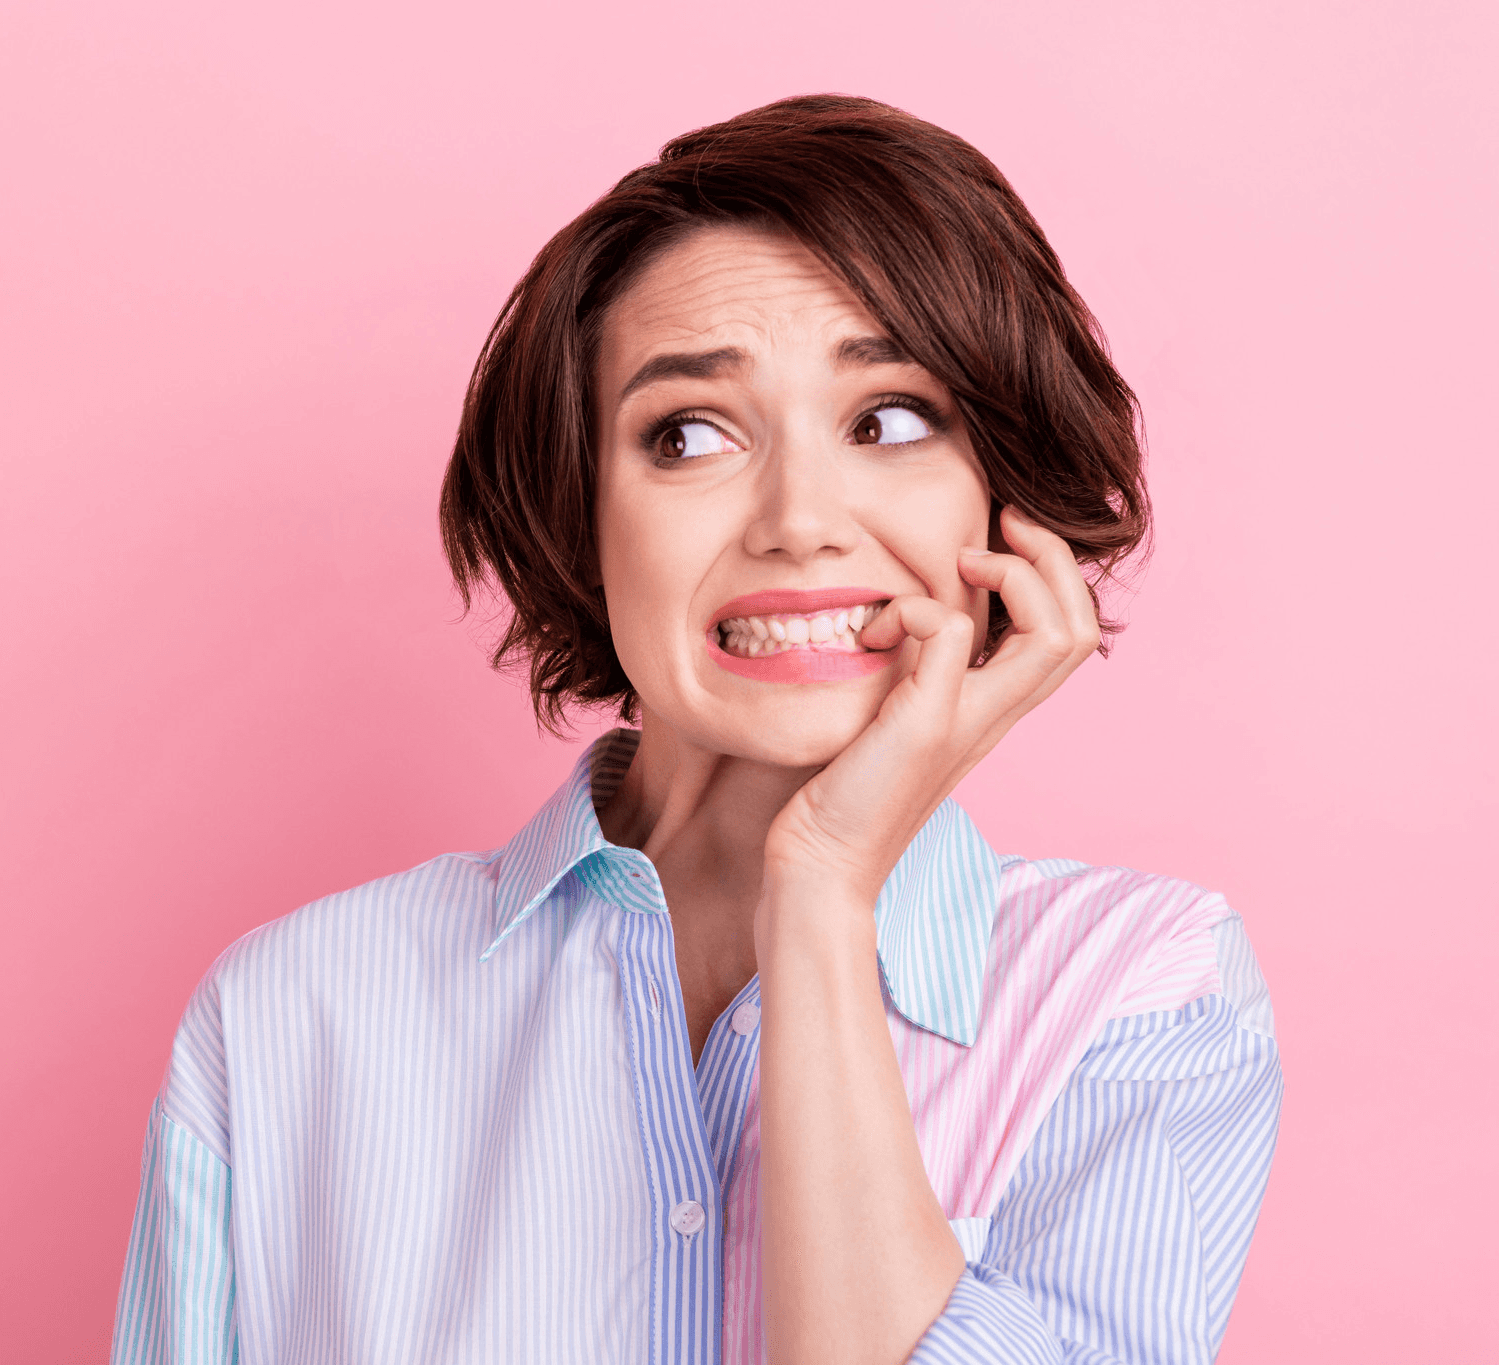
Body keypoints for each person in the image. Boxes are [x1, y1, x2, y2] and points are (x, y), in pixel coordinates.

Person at [111, 95, 1280, 1365]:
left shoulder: (1139, 994)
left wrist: (824, 892)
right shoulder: (290, 1016)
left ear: (1001, 506)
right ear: (584, 516)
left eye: (888, 419)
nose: (797, 520)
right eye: (687, 434)